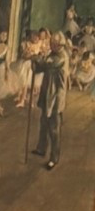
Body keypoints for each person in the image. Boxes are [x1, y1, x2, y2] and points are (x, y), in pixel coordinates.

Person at [34, 33, 71, 168]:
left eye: (53, 44)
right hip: (47, 93)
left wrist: (38, 60)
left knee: (54, 127)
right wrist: (36, 64)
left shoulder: (62, 56)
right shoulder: (52, 54)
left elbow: (48, 65)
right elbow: (42, 66)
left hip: (56, 94)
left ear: (59, 45)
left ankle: (54, 158)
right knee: (43, 122)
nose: (51, 45)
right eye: (51, 43)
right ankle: (41, 148)